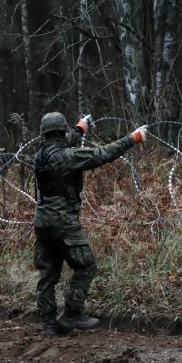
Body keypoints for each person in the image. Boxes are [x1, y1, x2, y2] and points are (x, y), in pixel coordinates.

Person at [33, 112, 147, 336]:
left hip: (43, 220)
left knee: (48, 274)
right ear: (60, 132)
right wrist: (133, 138)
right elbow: (102, 154)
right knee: (86, 265)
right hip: (63, 220)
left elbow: (63, 142)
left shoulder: (40, 155)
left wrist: (81, 127)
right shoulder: (67, 157)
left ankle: (48, 324)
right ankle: (73, 313)